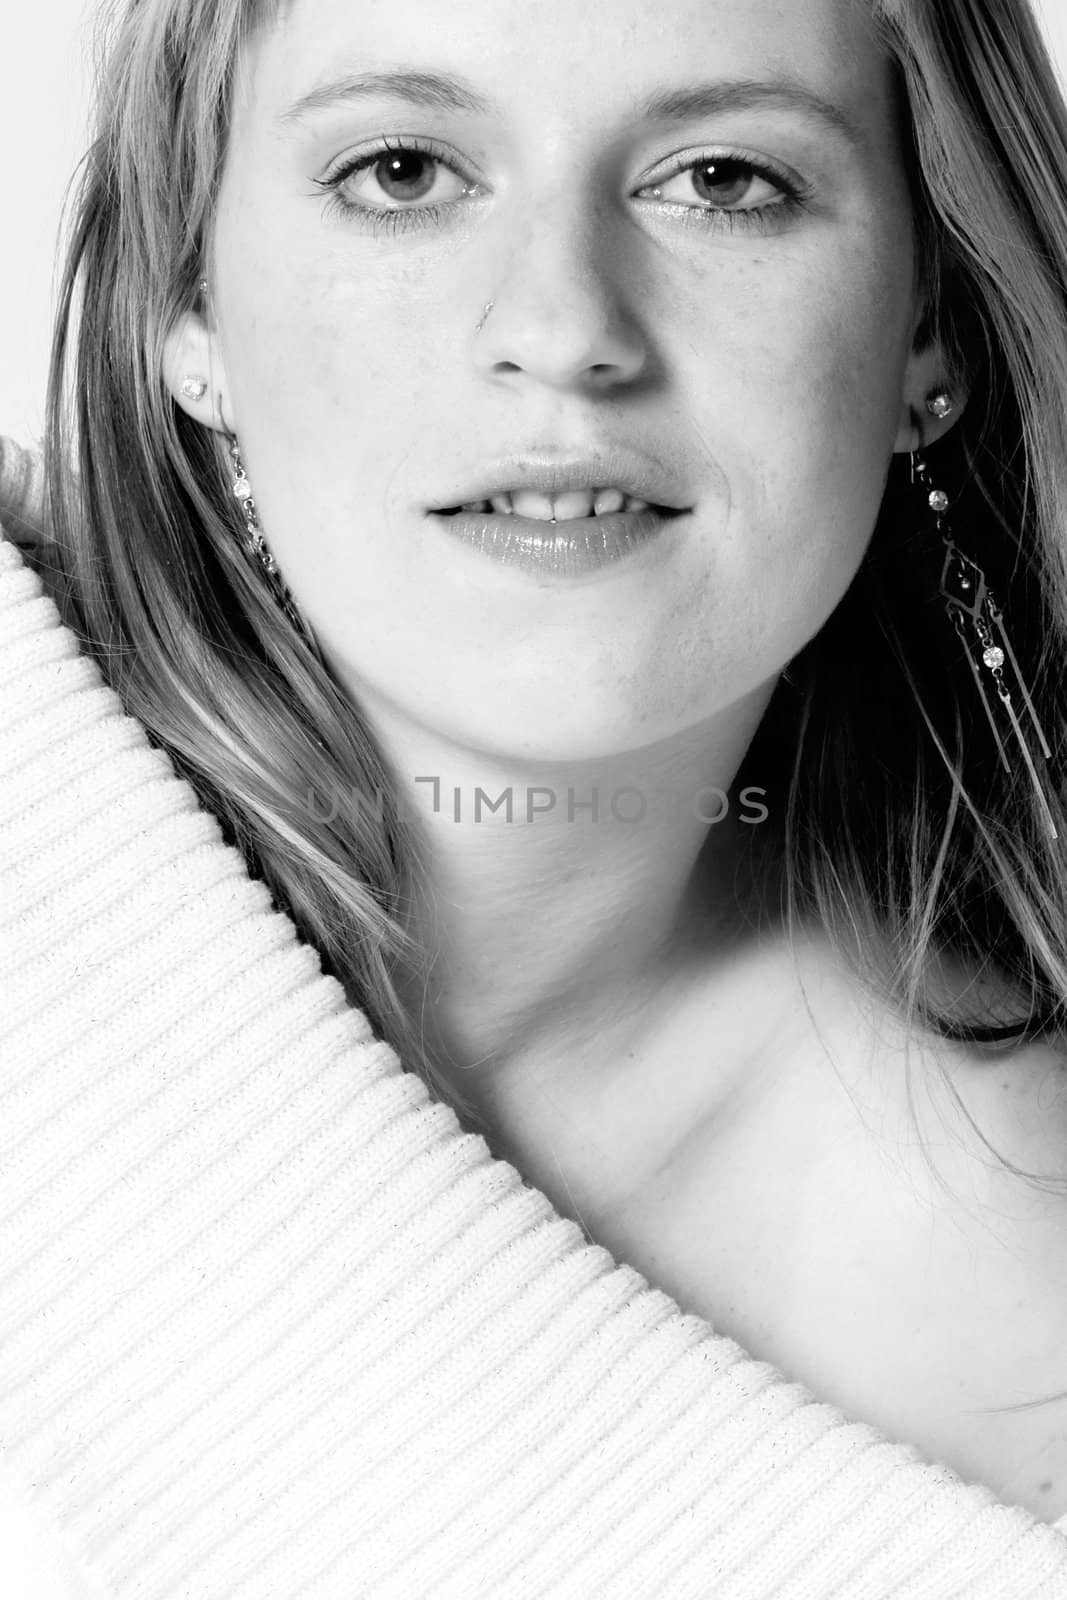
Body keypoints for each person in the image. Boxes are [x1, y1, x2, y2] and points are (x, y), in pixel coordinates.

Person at [3, 0, 1067, 1592]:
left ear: (931, 321)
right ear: (189, 301)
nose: (565, 328)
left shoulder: (1024, 1296)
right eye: (404, 169)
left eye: (722, 181)